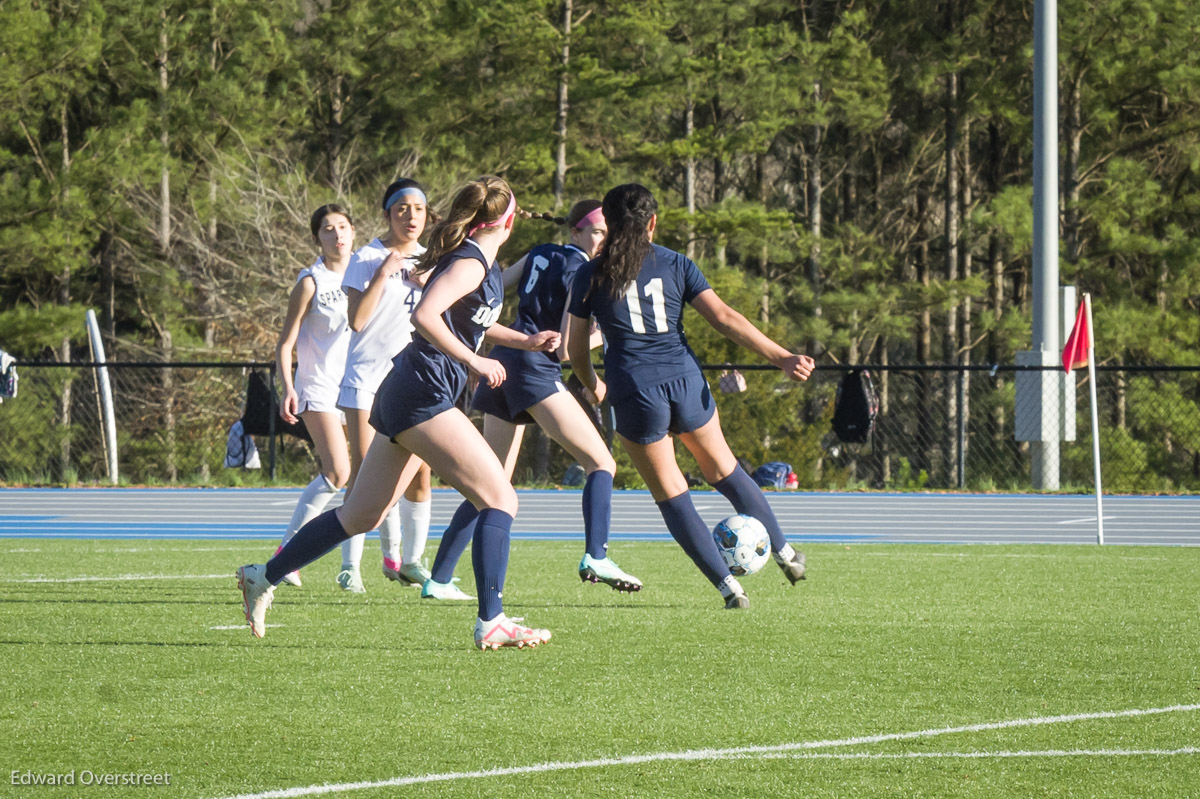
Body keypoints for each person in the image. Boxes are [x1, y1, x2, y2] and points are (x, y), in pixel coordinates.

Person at [238, 176, 561, 649]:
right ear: (508, 221)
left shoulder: (479, 261)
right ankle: (492, 619)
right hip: (422, 391)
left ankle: (262, 576)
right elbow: (425, 317)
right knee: (500, 499)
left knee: (360, 515)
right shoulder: (471, 262)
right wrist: (474, 362)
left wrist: (525, 340)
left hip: (413, 389)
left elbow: (476, 324)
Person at [567, 183, 814, 609]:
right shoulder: (676, 263)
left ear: (606, 224)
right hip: (685, 381)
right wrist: (782, 357)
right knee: (726, 471)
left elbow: (572, 350)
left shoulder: (590, 274)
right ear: (654, 223)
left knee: (673, 494)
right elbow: (724, 318)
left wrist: (594, 386)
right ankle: (786, 553)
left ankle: (729, 588)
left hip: (635, 391)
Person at [422, 200, 642, 600]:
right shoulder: (583, 271)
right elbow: (561, 350)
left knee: (489, 483)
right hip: (532, 368)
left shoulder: (540, 251)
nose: (602, 240)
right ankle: (596, 555)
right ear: (575, 232)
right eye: (596, 231)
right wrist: (600, 336)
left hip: (500, 364)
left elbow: (488, 287)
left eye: (607, 234)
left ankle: (438, 579)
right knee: (601, 462)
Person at [334, 179, 436, 593]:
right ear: (387, 214)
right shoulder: (367, 256)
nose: (411, 217)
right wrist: (384, 273)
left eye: (419, 209)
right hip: (367, 377)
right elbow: (357, 320)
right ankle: (350, 566)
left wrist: (428, 282)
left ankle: (409, 562)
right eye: (402, 209)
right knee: (364, 477)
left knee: (421, 475)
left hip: (414, 379)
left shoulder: (435, 260)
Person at [270, 204, 354, 587]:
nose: (336, 234)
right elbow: (285, 343)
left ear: (352, 231)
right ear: (317, 237)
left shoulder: (366, 273)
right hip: (317, 386)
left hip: (355, 386)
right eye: (327, 229)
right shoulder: (311, 281)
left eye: (342, 226)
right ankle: (287, 554)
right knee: (338, 471)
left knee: (362, 478)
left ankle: (350, 570)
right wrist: (288, 387)